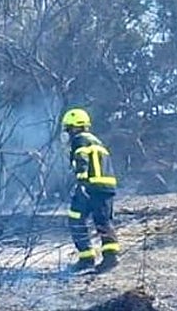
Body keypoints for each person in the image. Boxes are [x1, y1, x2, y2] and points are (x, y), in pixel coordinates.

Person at [61, 107, 119, 273]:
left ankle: (87, 258)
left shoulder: (79, 140)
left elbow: (81, 158)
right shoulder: (96, 141)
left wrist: (81, 181)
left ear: (73, 127)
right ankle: (110, 257)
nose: (66, 133)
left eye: (67, 129)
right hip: (106, 187)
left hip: (90, 187)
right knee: (103, 221)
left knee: (75, 218)